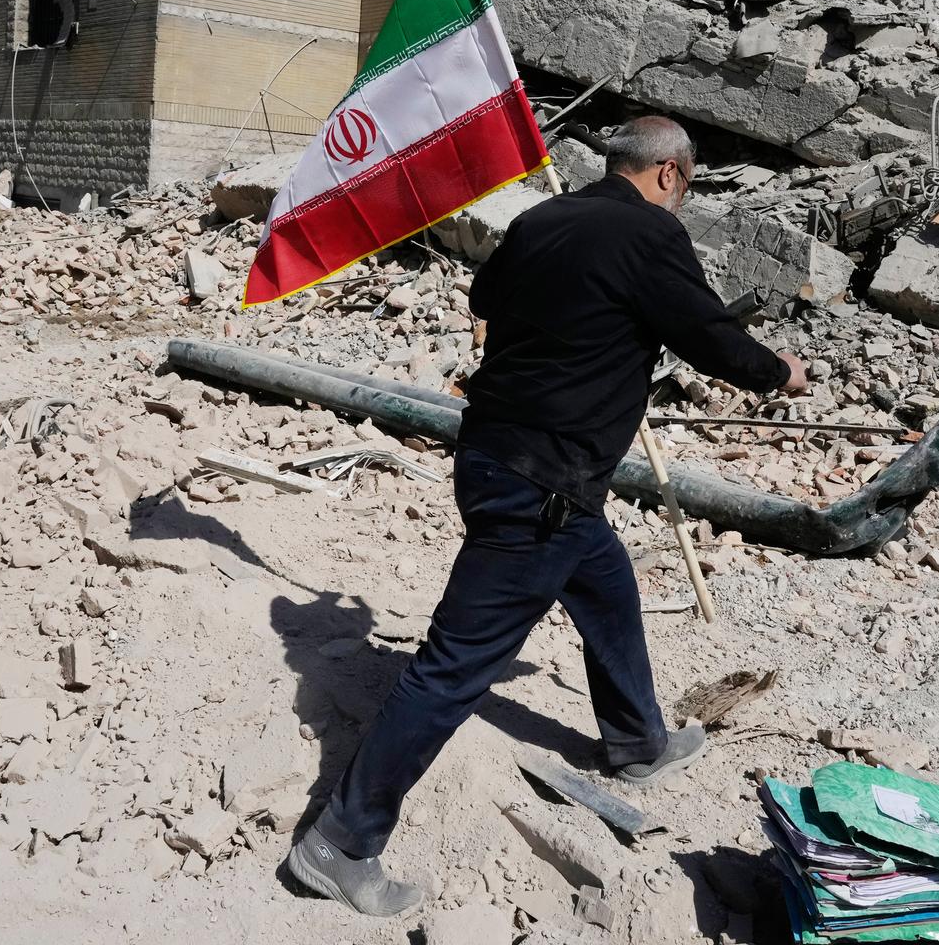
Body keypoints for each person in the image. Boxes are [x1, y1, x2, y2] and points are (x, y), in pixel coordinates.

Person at [288, 115, 807, 916]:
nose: (682, 197)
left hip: (496, 457)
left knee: (603, 578)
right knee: (453, 666)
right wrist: (779, 373)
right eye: (688, 184)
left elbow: (486, 295)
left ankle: (638, 743)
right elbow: (706, 334)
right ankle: (340, 842)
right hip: (544, 484)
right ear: (669, 173)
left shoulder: (541, 218)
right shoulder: (649, 235)